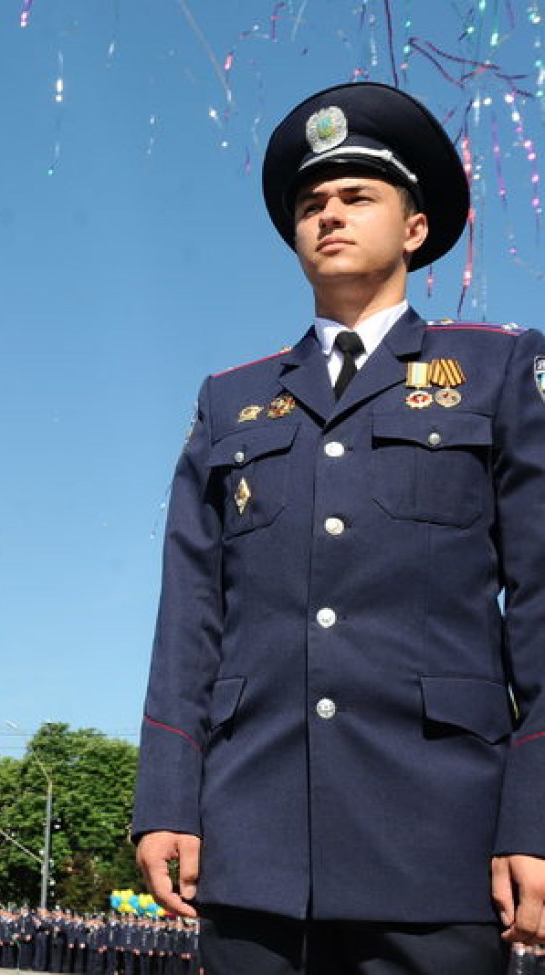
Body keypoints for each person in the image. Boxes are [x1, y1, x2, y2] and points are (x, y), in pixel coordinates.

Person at [133, 80, 545, 973]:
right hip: (255, 844)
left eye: (358, 197)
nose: (329, 215)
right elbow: (189, 616)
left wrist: (536, 815)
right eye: (312, 204)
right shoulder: (232, 401)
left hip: (438, 839)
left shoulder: (500, 368)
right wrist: (167, 796)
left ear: (416, 228)